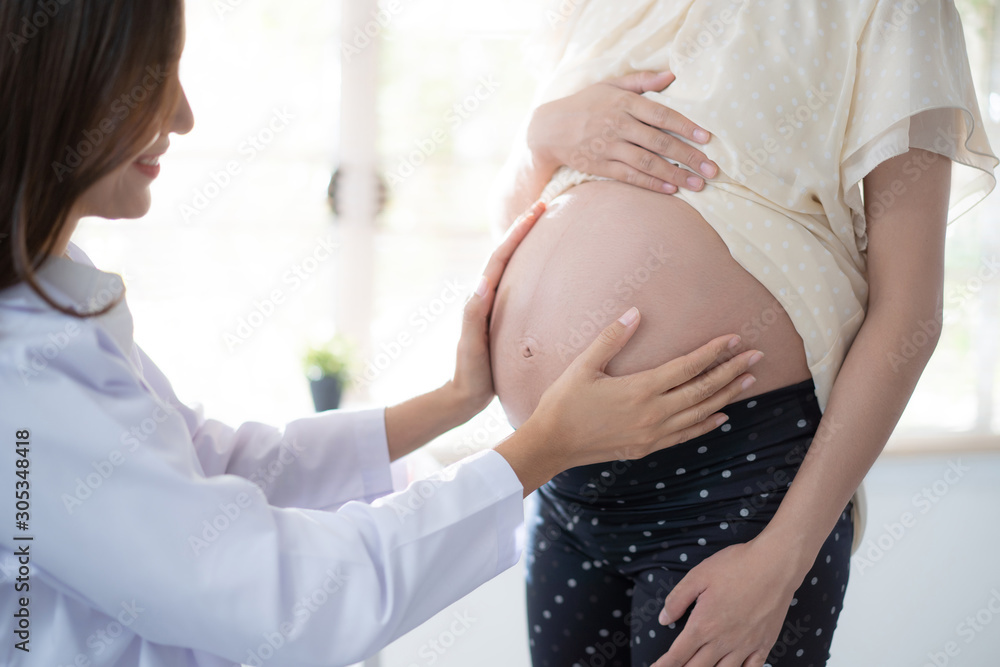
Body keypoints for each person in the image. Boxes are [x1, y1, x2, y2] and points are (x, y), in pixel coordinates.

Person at [0, 1, 766, 666]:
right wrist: (542, 449)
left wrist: (455, 400)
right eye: (151, 74)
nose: (181, 116)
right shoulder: (22, 385)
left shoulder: (51, 307)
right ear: (59, 79)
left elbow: (217, 464)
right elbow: (288, 597)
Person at [488, 1, 998, 665]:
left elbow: (910, 315)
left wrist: (783, 557)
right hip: (561, 481)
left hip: (734, 479)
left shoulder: (892, 10)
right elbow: (515, 229)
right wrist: (539, 137)